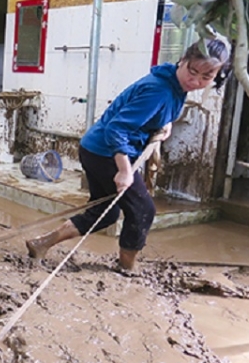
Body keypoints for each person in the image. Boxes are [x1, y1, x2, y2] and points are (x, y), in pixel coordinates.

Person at [25, 38, 231, 271]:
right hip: (106, 153)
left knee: (105, 213)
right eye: (193, 72)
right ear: (183, 60)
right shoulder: (159, 90)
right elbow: (118, 129)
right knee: (143, 210)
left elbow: (157, 113)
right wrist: (124, 171)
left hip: (95, 148)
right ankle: (127, 268)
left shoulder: (174, 83)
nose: (196, 81)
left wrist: (165, 124)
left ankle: (41, 243)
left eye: (206, 78)